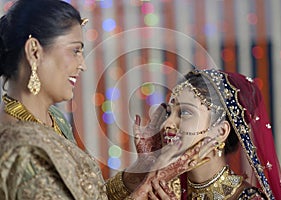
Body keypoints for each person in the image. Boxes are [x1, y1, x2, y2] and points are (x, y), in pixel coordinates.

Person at [0, 1, 205, 199]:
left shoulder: (54, 119)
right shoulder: (20, 146)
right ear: (34, 51)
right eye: (75, 51)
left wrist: (141, 170)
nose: (83, 65)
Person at [134, 68, 281, 199]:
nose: (167, 124)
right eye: (169, 113)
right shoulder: (164, 186)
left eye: (185, 113)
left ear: (220, 132)